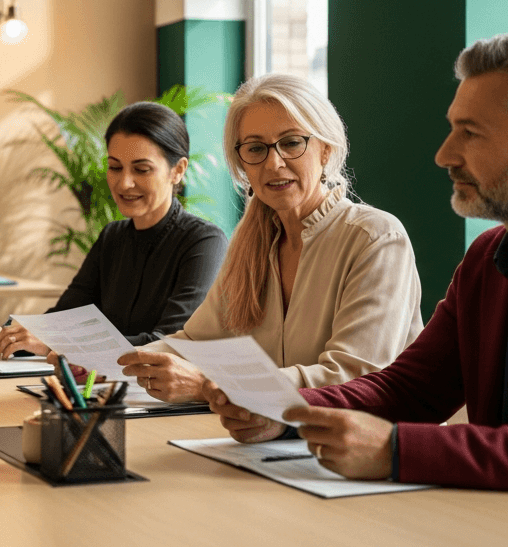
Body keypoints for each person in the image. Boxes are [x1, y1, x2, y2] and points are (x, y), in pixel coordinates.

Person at [206, 30, 508, 503]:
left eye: (471, 133)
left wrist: (397, 449)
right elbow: (409, 390)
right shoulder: (486, 259)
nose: (445, 155)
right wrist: (284, 408)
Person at [117, 73, 424, 402]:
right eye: (256, 148)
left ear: (325, 150)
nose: (274, 163)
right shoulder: (250, 244)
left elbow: (352, 377)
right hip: (277, 438)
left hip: (370, 445)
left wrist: (210, 384)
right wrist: (107, 367)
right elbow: (193, 344)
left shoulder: (375, 237)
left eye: (292, 142)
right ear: (243, 164)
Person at [0, 101, 228, 357]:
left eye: (141, 169)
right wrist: (10, 335)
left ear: (177, 170)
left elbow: (167, 343)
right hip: (101, 388)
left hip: (161, 394)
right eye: (115, 167)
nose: (125, 183)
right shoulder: (113, 236)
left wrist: (59, 344)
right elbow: (64, 317)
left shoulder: (204, 242)